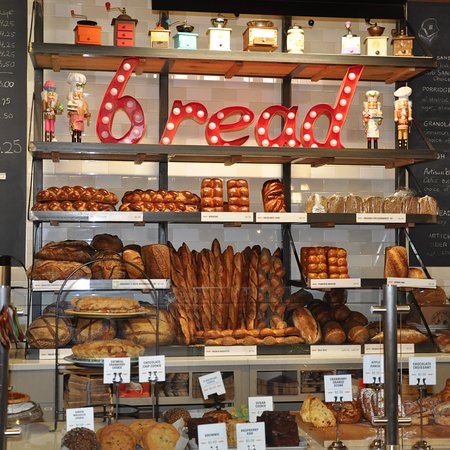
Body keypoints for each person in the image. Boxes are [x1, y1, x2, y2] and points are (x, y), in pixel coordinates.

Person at [67, 72, 91, 142]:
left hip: (80, 120)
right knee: (74, 132)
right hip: (74, 120)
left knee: (79, 132)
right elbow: (70, 112)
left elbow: (85, 112)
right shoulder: (71, 100)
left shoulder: (83, 102)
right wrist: (71, 113)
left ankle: (79, 142)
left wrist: (87, 115)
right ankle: (74, 142)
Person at [394, 86, 413, 150]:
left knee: (405, 133)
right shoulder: (398, 109)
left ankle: (404, 146)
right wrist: (396, 117)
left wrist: (410, 117)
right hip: (400, 122)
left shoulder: (408, 109)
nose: (403, 105)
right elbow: (395, 112)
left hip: (405, 122)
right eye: (401, 103)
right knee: (400, 133)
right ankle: (399, 146)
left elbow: (410, 111)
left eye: (405, 103)